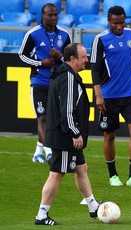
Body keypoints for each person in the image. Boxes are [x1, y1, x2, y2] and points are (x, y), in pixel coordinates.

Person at [34, 43, 100, 225]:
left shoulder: (66, 75)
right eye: (84, 57)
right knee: (57, 174)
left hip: (66, 134)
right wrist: (75, 133)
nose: (87, 60)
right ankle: (41, 215)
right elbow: (67, 111)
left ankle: (93, 206)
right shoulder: (68, 78)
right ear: (72, 59)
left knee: (81, 168)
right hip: (65, 136)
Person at [90, 5, 131, 188]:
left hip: (130, 93)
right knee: (109, 135)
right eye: (115, 23)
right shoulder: (101, 39)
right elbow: (95, 69)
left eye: (122, 22)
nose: (119, 26)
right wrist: (98, 95)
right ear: (108, 22)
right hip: (108, 96)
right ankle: (113, 175)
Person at [19, 3, 71, 163]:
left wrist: (58, 58)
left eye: (56, 14)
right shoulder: (33, 34)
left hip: (57, 83)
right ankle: (50, 151)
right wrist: (40, 63)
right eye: (50, 15)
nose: (54, 17)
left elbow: (70, 59)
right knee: (42, 117)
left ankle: (37, 153)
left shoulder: (64, 34)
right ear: (43, 16)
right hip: (39, 81)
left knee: (55, 120)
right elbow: (22, 55)